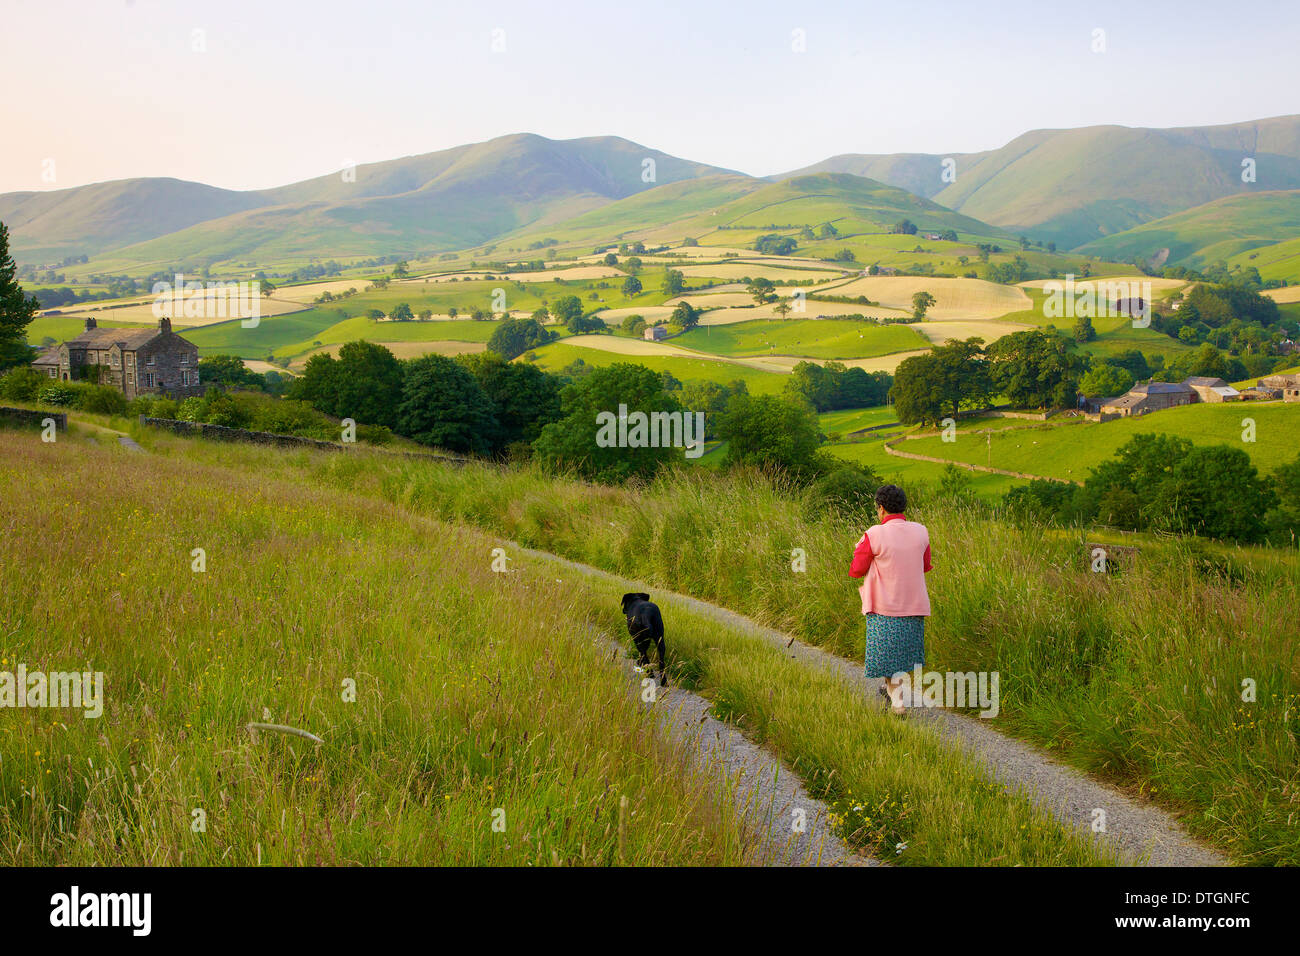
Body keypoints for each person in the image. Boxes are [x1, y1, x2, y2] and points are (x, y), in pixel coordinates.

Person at [848, 484, 932, 715]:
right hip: (914, 606)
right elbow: (925, 565)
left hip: (884, 607)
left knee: (888, 659)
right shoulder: (921, 532)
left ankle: (898, 704)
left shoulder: (874, 534)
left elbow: (856, 569)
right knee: (902, 656)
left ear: (881, 509)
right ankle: (891, 692)